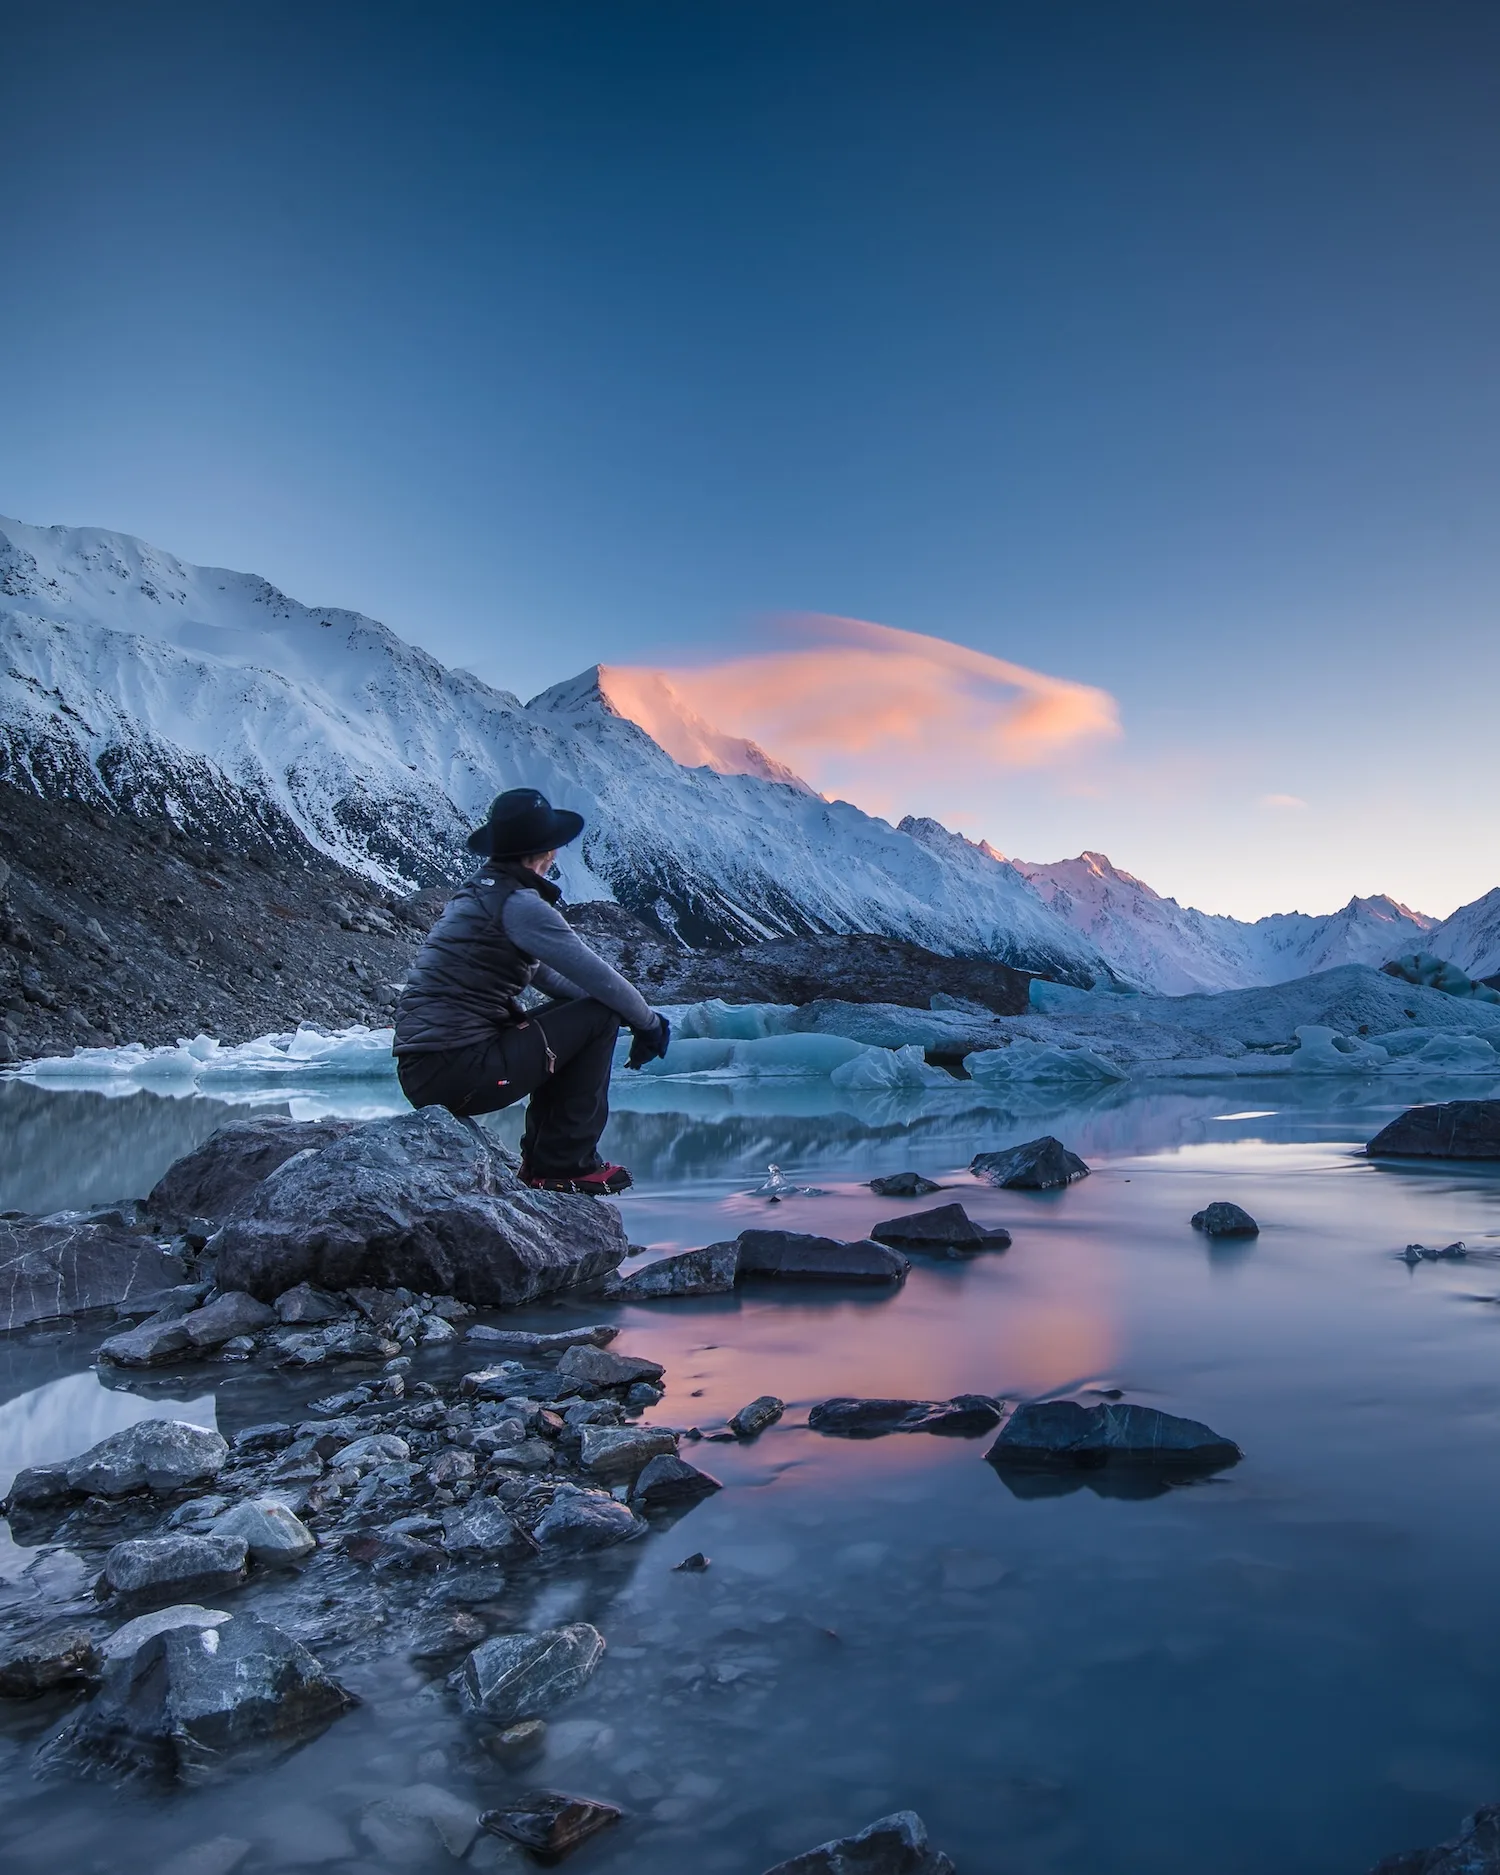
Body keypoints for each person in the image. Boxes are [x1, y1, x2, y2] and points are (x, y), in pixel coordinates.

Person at [393, 787, 670, 1193]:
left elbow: (552, 979)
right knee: (599, 1014)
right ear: (547, 852)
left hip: (429, 1071)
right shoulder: (520, 906)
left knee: (592, 1014)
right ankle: (564, 1164)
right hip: (458, 1071)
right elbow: (597, 976)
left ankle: (543, 1162)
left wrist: (626, 1017)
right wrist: (647, 1023)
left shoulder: (479, 894)